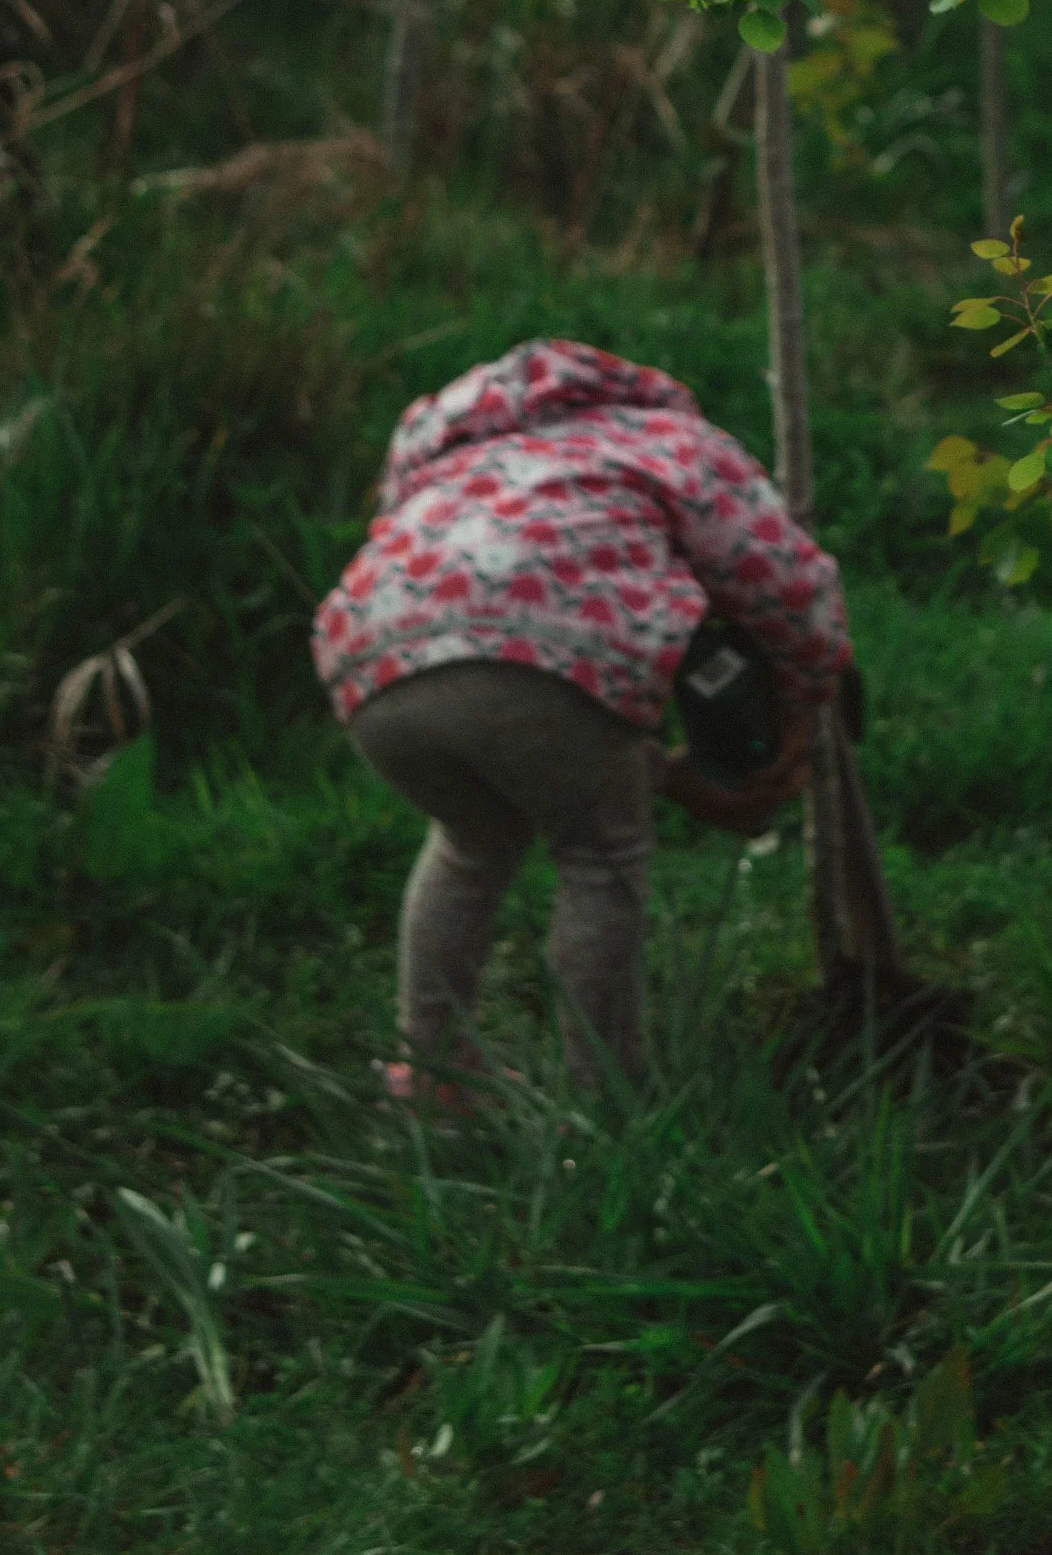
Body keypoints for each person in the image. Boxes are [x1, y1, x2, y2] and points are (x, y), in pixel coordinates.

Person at [312, 338, 849, 1104]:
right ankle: (602, 1097)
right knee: (599, 853)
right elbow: (779, 581)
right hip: (544, 652)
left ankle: (432, 1075)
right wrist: (803, 696)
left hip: (373, 662)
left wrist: (655, 769)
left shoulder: (446, 459)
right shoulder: (667, 440)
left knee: (471, 840)